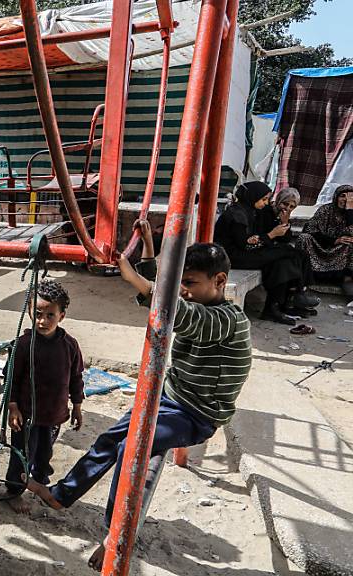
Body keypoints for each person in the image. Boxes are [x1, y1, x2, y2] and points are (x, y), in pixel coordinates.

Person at [27, 243, 252, 571]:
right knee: (109, 439)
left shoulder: (227, 319)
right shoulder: (199, 303)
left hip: (196, 415)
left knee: (132, 448)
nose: (183, 291)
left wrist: (135, 280)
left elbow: (182, 314)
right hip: (170, 399)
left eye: (189, 283)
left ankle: (115, 532)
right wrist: (147, 248)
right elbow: (165, 291)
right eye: (180, 284)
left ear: (219, 281)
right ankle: (62, 495)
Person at [4, 279, 84, 514]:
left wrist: (77, 405)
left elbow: (76, 377)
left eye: (50, 315)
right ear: (29, 311)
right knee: (21, 454)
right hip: (26, 415)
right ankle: (14, 489)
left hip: (53, 414)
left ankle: (38, 482)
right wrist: (13, 407)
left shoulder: (69, 345)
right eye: (38, 314)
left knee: (44, 452)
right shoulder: (23, 345)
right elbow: (12, 378)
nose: (43, 320)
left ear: (62, 316)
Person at [214, 181, 318, 324]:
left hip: (245, 252)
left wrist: (281, 226)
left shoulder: (248, 211)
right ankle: (295, 295)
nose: (266, 203)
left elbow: (260, 239)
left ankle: (278, 306)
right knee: (286, 253)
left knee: (283, 260)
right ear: (252, 196)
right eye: (263, 199)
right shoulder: (237, 214)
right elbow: (245, 245)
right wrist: (271, 235)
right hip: (234, 257)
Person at [299, 184, 353, 299]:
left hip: (339, 253)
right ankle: (303, 277)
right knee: (304, 238)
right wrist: (334, 240)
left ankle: (346, 279)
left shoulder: (351, 213)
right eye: (342, 196)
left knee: (350, 244)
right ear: (336, 197)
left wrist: (349, 211)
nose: (345, 200)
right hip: (321, 247)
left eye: (349, 197)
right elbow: (309, 229)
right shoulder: (325, 210)